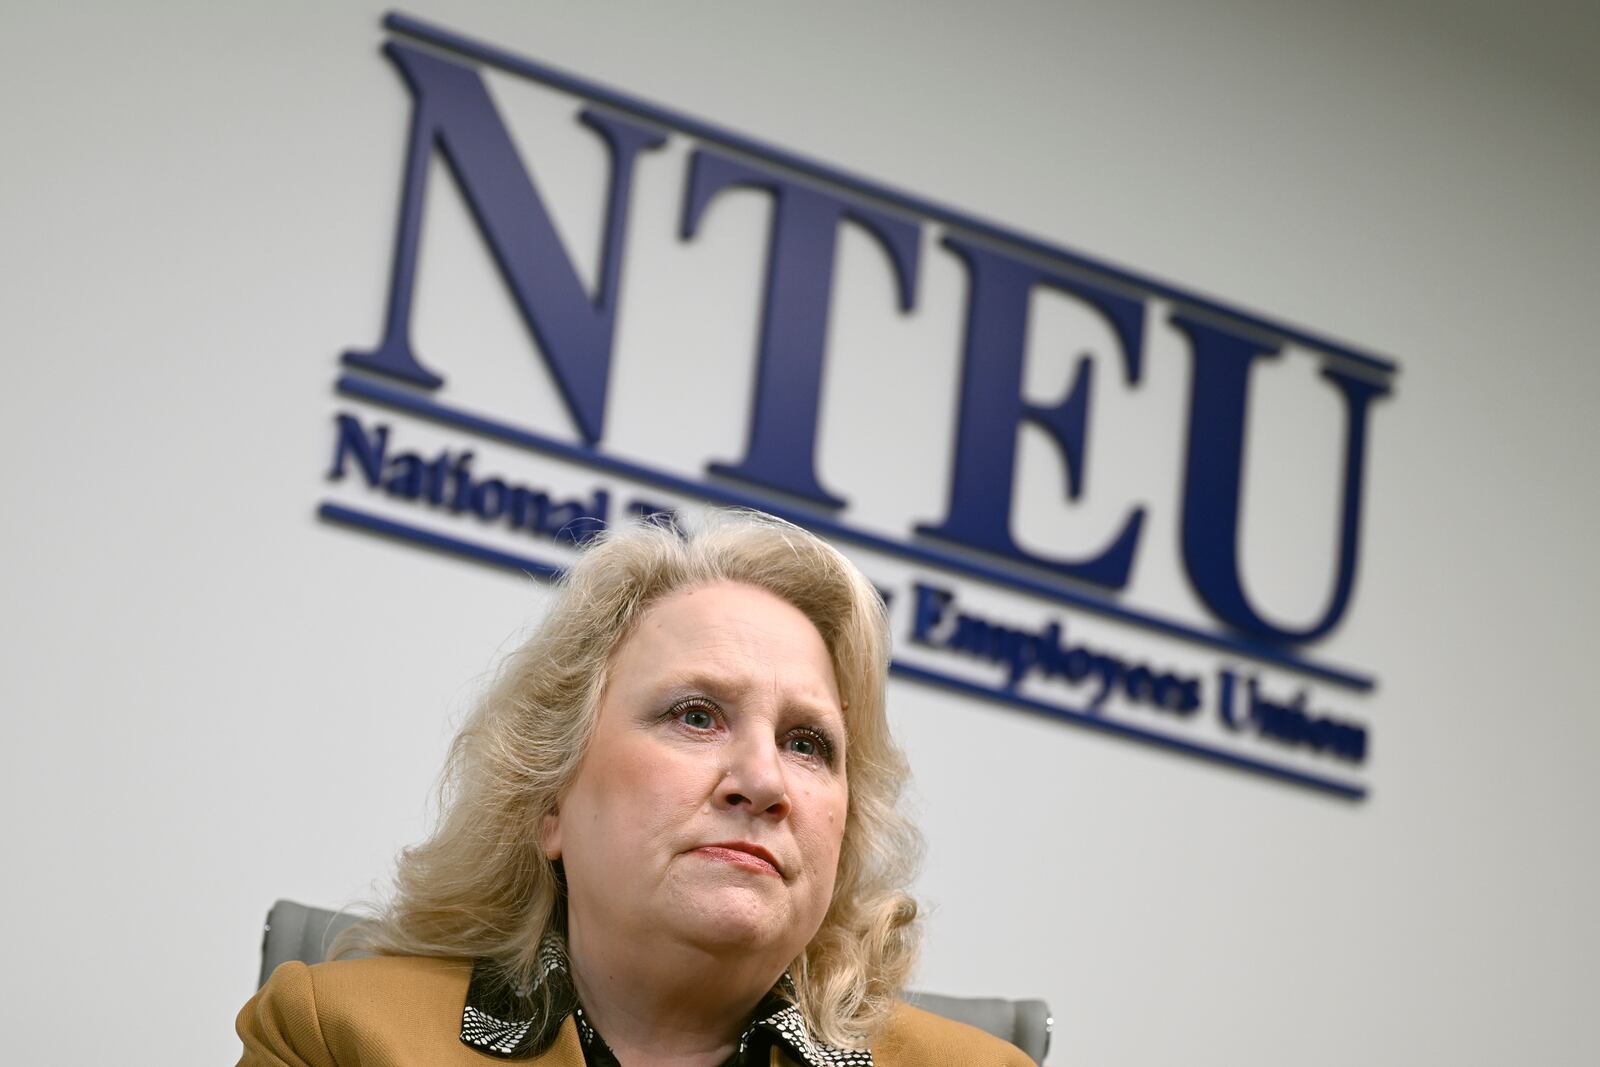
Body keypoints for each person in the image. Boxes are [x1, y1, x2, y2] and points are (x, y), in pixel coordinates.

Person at [237, 511, 1034, 1066]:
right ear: (548, 796)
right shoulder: (339, 1037)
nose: (762, 781)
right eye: (696, 716)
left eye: (807, 743)